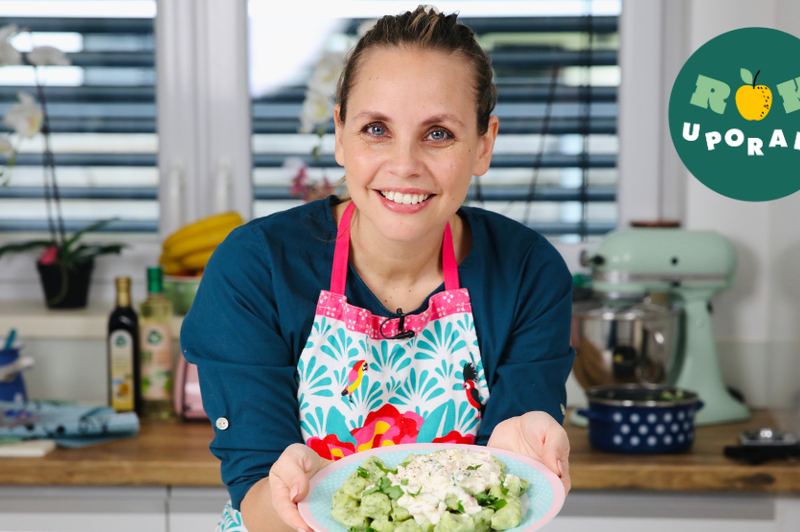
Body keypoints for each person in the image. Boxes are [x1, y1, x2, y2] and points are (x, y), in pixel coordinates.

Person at [181, 6, 576, 532]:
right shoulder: (257, 266)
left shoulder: (528, 272)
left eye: (438, 133)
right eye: (376, 129)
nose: (405, 164)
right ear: (341, 134)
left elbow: (504, 496)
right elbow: (256, 490)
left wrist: (519, 466)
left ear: (483, 144)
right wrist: (292, 495)